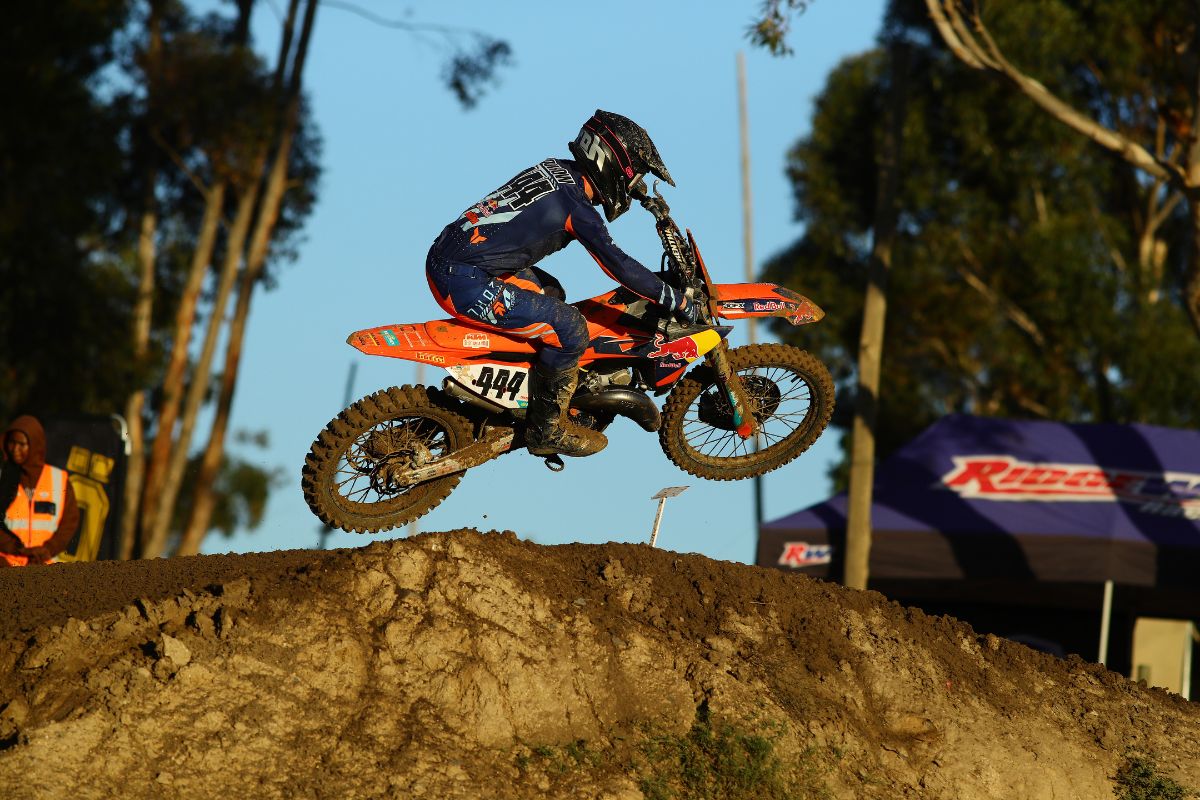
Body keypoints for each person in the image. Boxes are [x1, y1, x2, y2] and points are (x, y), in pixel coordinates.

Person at [425, 109, 705, 459]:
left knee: (552, 294)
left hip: (451, 258)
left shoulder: (555, 170)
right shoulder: (578, 210)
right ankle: (546, 430)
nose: (635, 186)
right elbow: (617, 265)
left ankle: (515, 394)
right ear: (613, 165)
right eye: (636, 177)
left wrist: (649, 202)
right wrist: (676, 300)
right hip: (464, 280)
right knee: (571, 328)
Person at [1, 415, 79, 566]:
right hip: (6, 565)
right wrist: (16, 549)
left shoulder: (59, 480)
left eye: (22, 444)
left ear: (35, 445)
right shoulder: (2, 478)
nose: (15, 449)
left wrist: (47, 550)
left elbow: (69, 523)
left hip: (44, 567)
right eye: (11, 443)